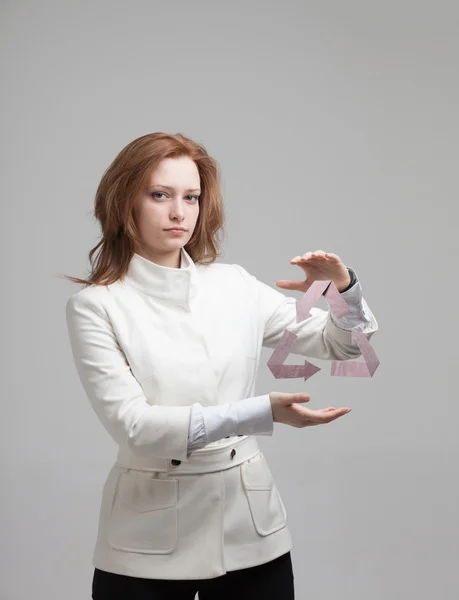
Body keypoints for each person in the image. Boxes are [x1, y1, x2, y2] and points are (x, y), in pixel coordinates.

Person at [64, 132, 378, 599]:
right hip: (146, 536)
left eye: (190, 197)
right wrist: (260, 412)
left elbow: (345, 347)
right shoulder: (96, 306)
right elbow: (135, 428)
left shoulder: (233, 285)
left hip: (250, 528)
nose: (179, 212)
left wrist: (343, 290)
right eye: (160, 195)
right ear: (123, 201)